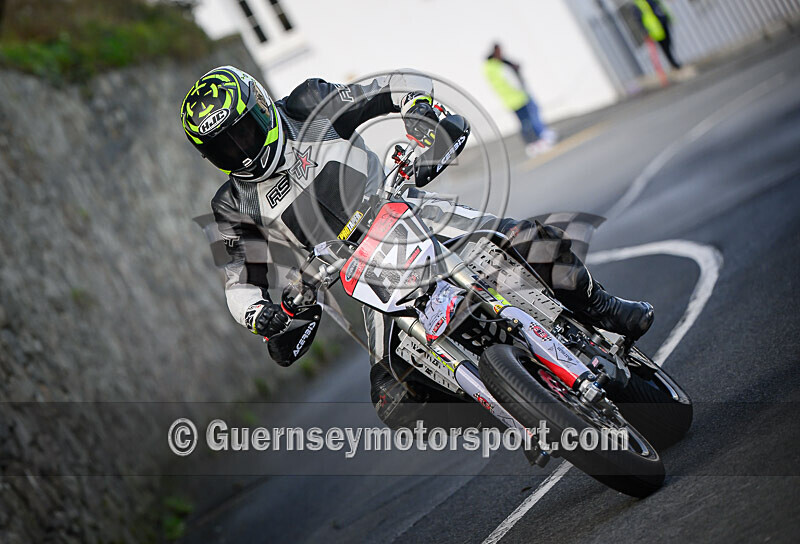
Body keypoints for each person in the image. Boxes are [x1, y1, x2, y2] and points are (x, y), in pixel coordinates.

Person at [180, 66, 654, 428]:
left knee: (522, 238)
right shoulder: (231, 202)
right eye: (225, 147)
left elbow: (384, 94)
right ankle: (519, 403)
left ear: (262, 106)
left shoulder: (308, 100)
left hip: (404, 209)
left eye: (243, 131)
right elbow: (238, 276)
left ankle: (601, 306)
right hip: (354, 271)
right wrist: (262, 314)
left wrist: (425, 115)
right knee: (395, 400)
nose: (242, 150)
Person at [484, 43, 557, 158]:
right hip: (517, 98)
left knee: (526, 121)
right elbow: (509, 81)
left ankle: (535, 142)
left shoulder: (492, 67)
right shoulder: (496, 66)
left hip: (512, 99)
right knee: (528, 121)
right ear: (495, 52)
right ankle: (536, 142)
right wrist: (520, 89)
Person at [634, 0, 681, 70]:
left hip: (662, 22)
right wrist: (646, 32)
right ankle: (673, 63)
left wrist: (666, 18)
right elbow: (639, 19)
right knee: (665, 47)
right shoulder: (638, 4)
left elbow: (659, 7)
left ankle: (673, 61)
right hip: (655, 29)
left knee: (668, 43)